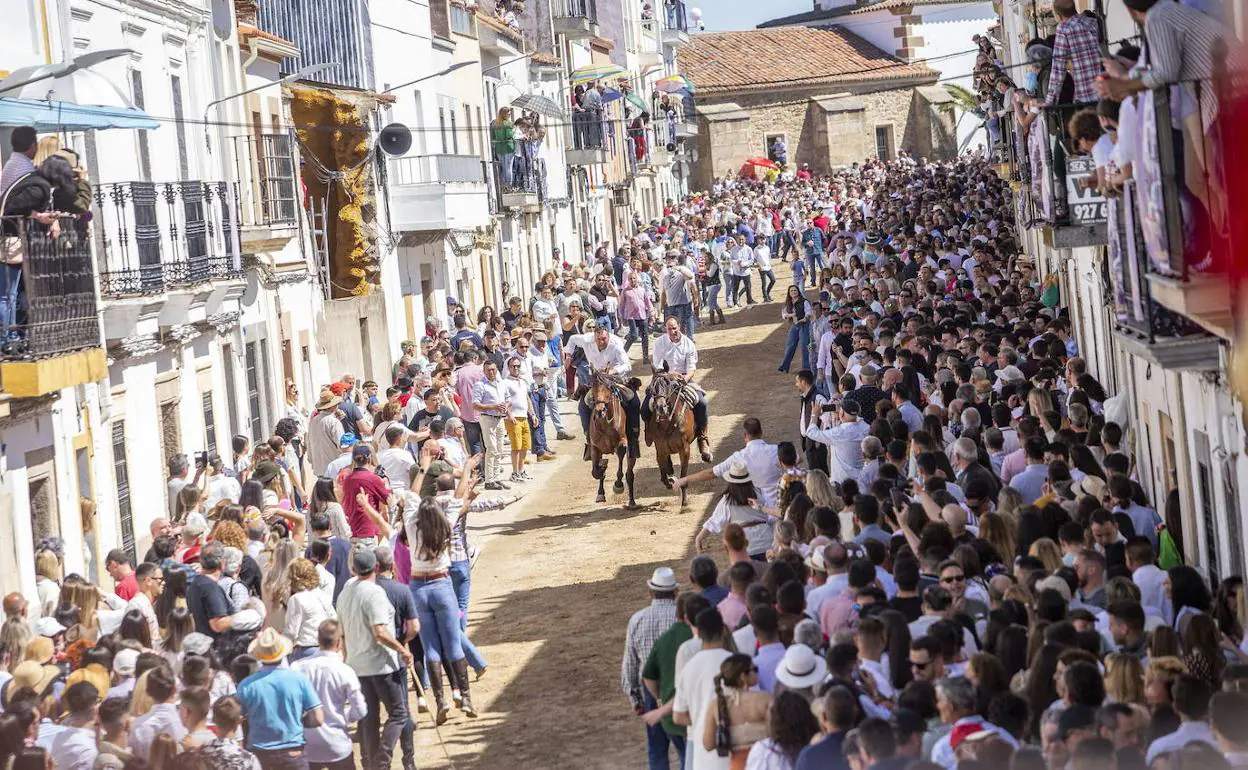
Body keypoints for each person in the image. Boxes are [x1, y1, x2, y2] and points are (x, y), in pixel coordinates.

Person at [334, 547, 411, 768]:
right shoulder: (374, 592)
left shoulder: (345, 593)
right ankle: (382, 758)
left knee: (369, 719)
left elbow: (342, 634)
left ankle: (371, 763)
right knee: (398, 713)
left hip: (357, 665)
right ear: (376, 568)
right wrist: (402, 650)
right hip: (381, 665)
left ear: (354, 569)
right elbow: (380, 632)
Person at [234, 628, 324, 767]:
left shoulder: (246, 685)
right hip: (293, 752)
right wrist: (298, 721)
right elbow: (318, 718)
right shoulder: (299, 679)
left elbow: (237, 718)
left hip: (260, 754)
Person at [291, 620, 368, 770]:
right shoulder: (344, 670)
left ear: (318, 640)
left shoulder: (297, 667)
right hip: (337, 743)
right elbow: (360, 710)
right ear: (339, 642)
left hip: (307, 743)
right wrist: (342, 716)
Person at [673, 609, 735, 770]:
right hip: (734, 752)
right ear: (723, 630)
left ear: (698, 633)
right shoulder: (735, 664)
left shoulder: (689, 668)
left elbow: (679, 716)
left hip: (702, 755)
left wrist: (702, 721)